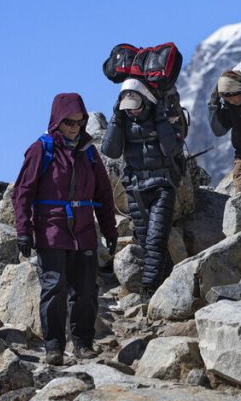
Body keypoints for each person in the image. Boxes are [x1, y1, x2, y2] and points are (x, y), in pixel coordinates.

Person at [12, 93, 118, 366]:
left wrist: (110, 230)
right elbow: (22, 192)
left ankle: (83, 344)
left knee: (86, 290)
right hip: (51, 231)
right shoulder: (41, 150)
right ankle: (54, 347)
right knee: (54, 288)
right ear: (56, 121)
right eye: (69, 122)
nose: (75, 127)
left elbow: (104, 195)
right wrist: (23, 230)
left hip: (83, 232)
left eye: (80, 122)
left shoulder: (89, 153)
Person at [101, 78, 182, 296]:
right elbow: (110, 151)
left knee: (155, 240)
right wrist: (116, 118)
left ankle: (148, 291)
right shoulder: (123, 119)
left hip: (161, 186)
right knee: (147, 241)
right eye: (128, 108)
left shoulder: (164, 115)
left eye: (136, 107)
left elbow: (171, 148)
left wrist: (160, 118)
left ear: (147, 101)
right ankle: (165, 290)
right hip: (135, 187)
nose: (132, 112)